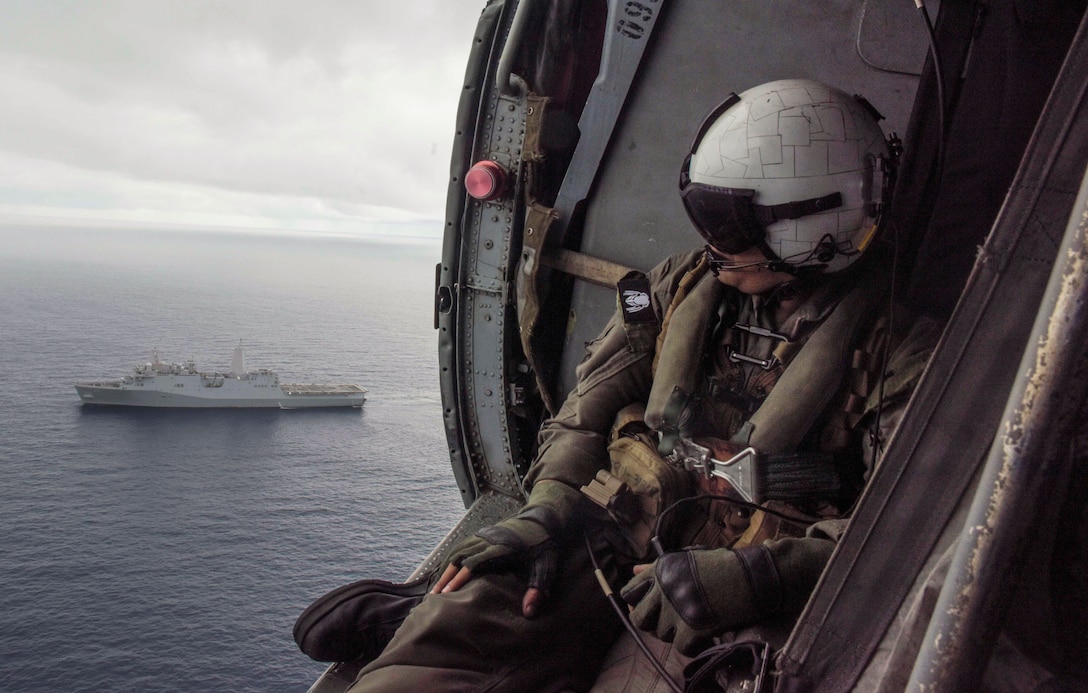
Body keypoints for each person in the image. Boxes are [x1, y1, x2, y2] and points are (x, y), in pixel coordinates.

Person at [307, 79, 937, 692]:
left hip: (740, 578)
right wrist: (550, 507)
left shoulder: (903, 353)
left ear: (816, 228)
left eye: (735, 231)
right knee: (438, 645)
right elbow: (588, 410)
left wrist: (762, 578)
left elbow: (908, 526)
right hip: (609, 524)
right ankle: (426, 612)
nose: (713, 247)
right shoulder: (675, 287)